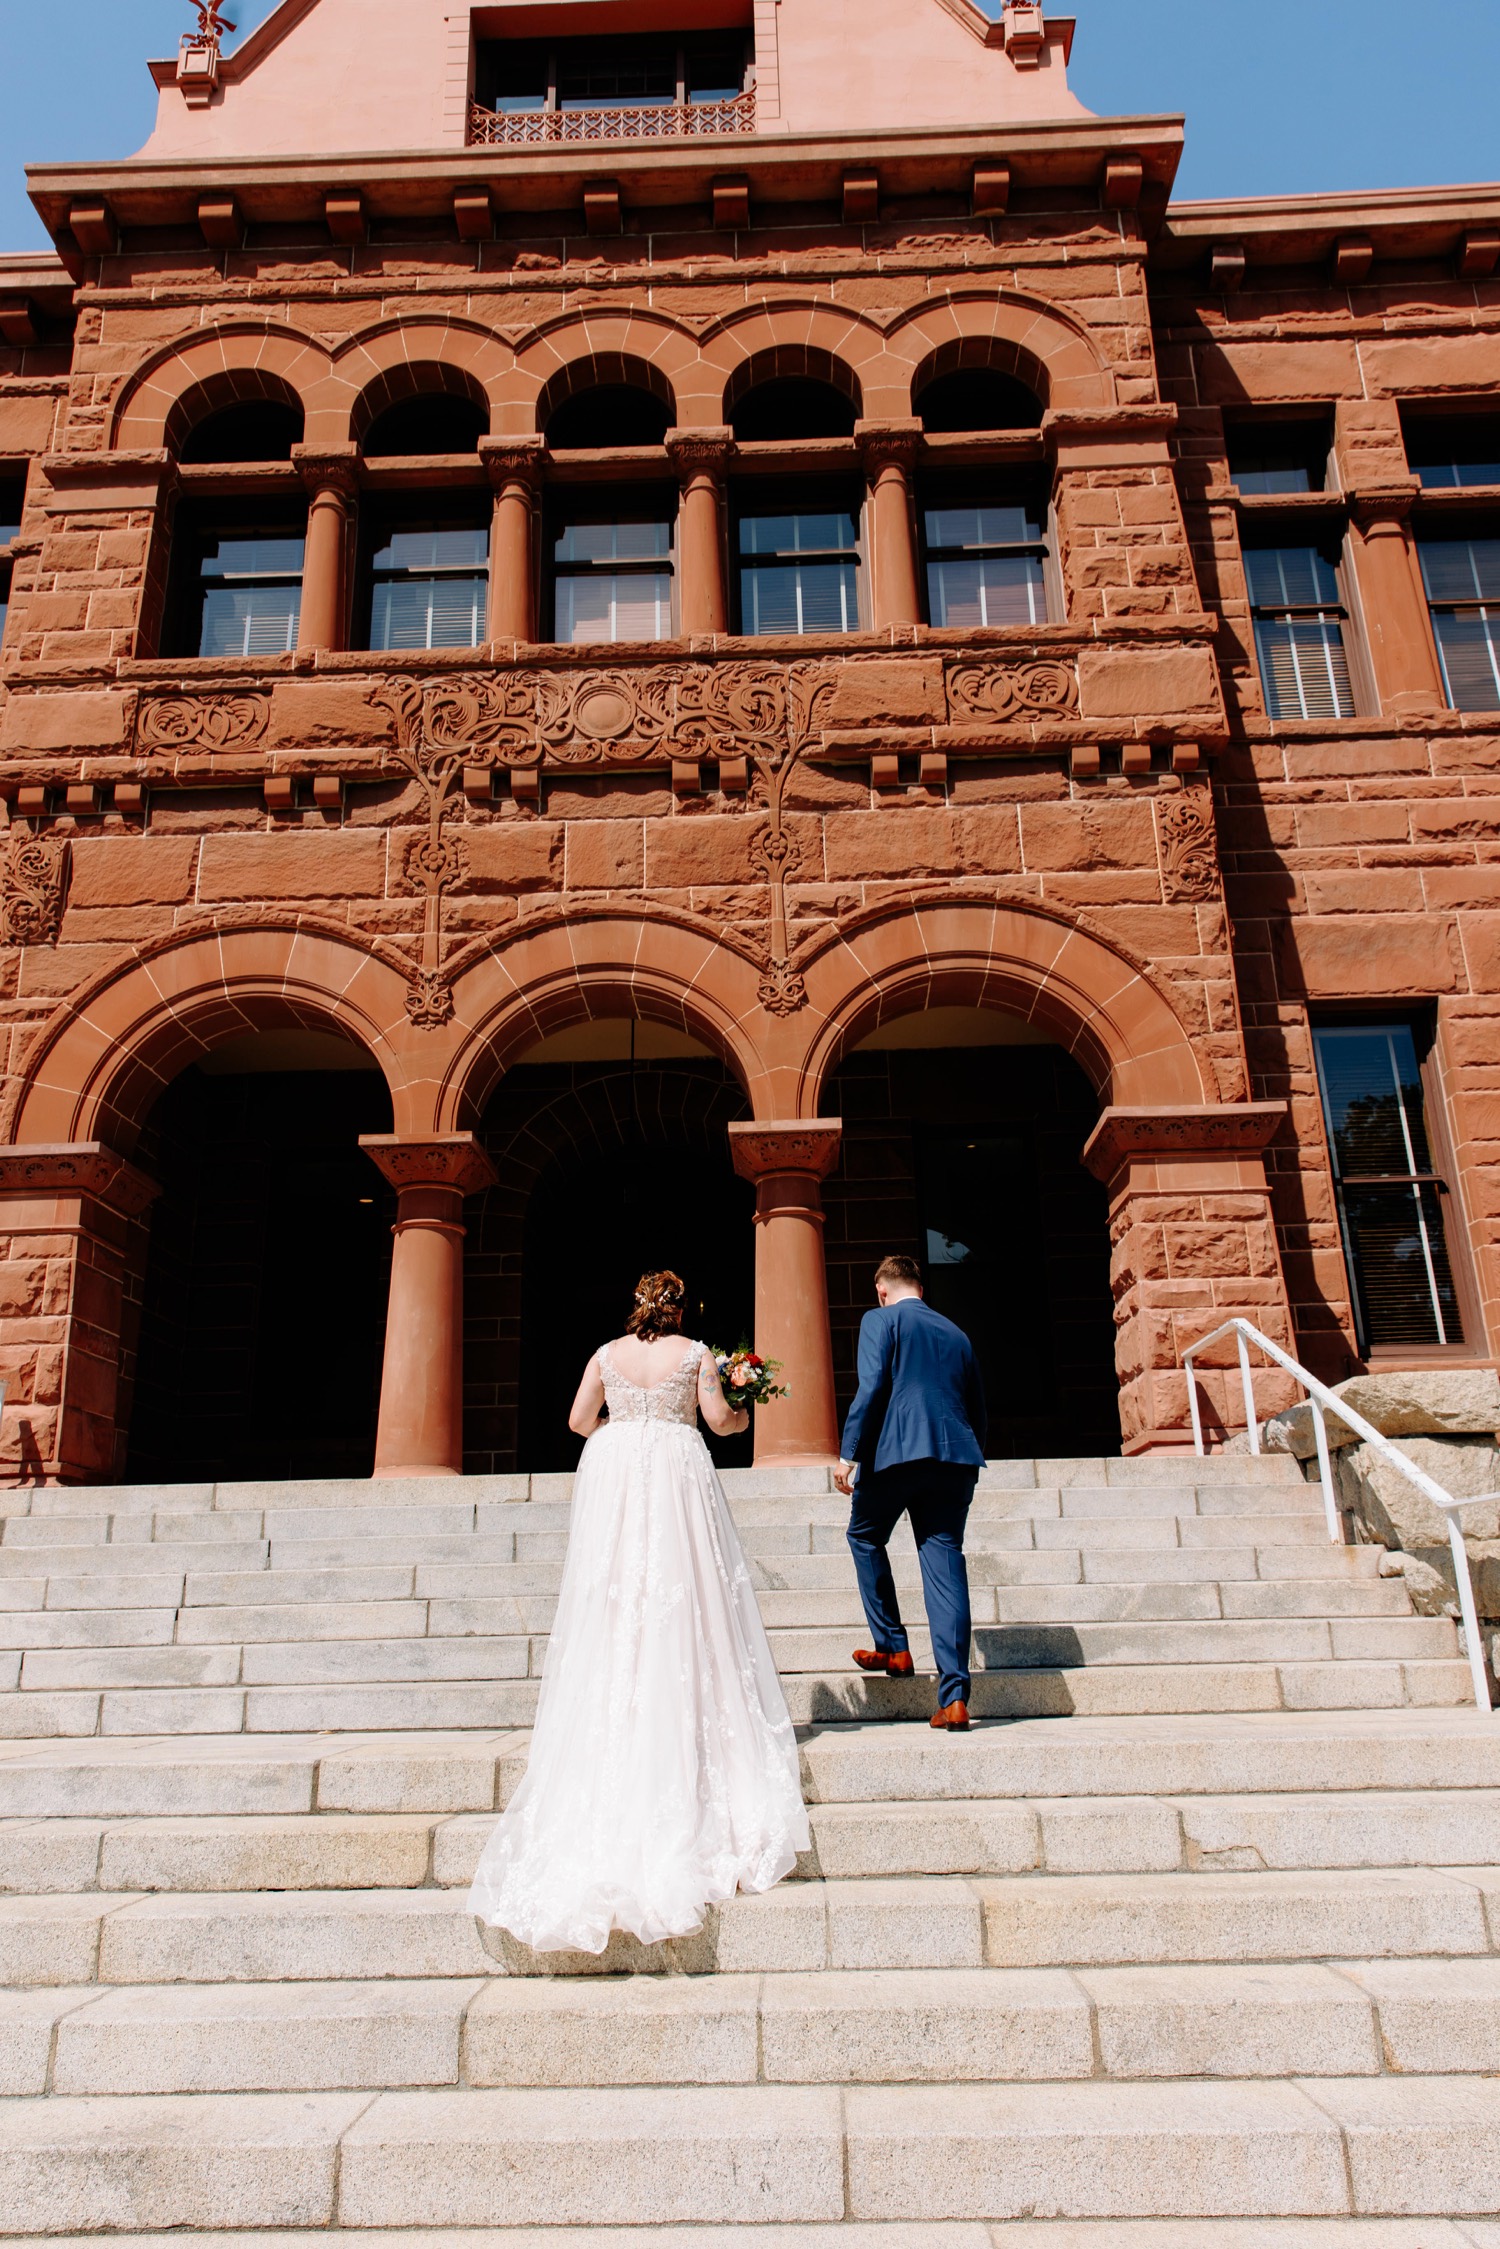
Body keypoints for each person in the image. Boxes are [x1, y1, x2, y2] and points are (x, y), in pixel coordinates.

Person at [469, 1269, 809, 1955]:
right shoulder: (695, 1355)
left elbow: (575, 1421)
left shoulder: (604, 1353)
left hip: (620, 1474)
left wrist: (623, 1429)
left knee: (618, 1592)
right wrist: (741, 1411)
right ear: (681, 1308)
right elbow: (716, 1421)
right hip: (677, 1474)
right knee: (686, 1593)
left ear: (636, 1307)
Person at [834, 1253, 988, 1731]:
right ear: (921, 1288)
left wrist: (848, 1453)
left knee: (864, 1536)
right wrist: (969, 1456)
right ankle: (955, 1697)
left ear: (882, 1289)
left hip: (897, 1453)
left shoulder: (880, 1319)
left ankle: (894, 1646)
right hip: (955, 1459)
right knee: (944, 1565)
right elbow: (976, 1405)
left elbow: (873, 1385)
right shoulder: (956, 1333)